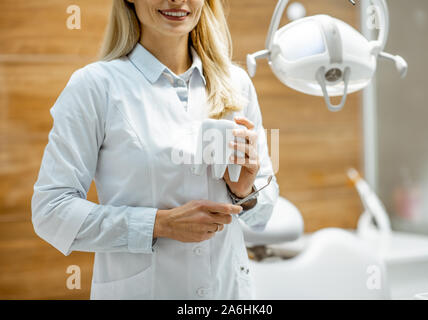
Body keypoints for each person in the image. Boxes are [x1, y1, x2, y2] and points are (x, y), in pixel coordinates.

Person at [31, 0, 279, 299]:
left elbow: (262, 216)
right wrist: (157, 225)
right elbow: (51, 211)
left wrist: (243, 190)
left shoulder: (236, 84)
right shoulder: (95, 86)